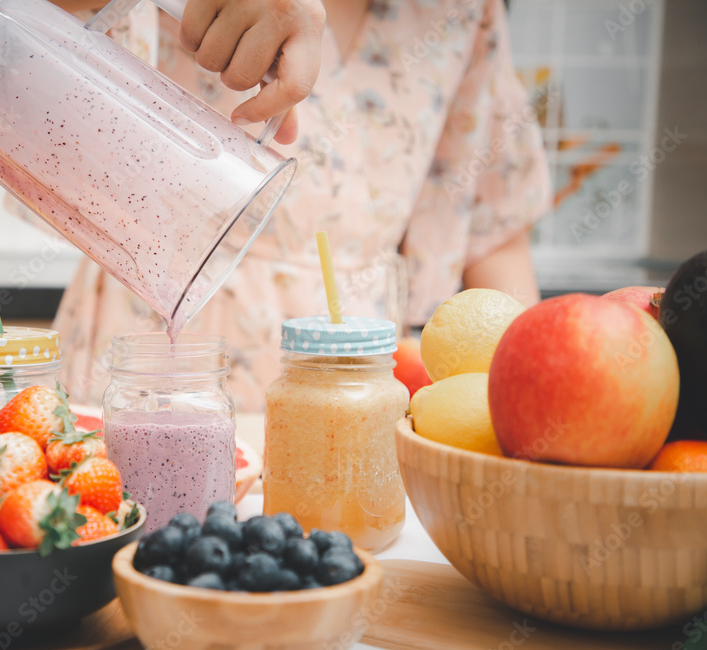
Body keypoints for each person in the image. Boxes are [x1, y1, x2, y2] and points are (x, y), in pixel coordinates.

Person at [42, 0, 551, 411]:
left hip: (349, 383)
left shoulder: (465, 11)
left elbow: (496, 228)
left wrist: (535, 408)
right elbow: (35, 23)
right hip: (152, 350)